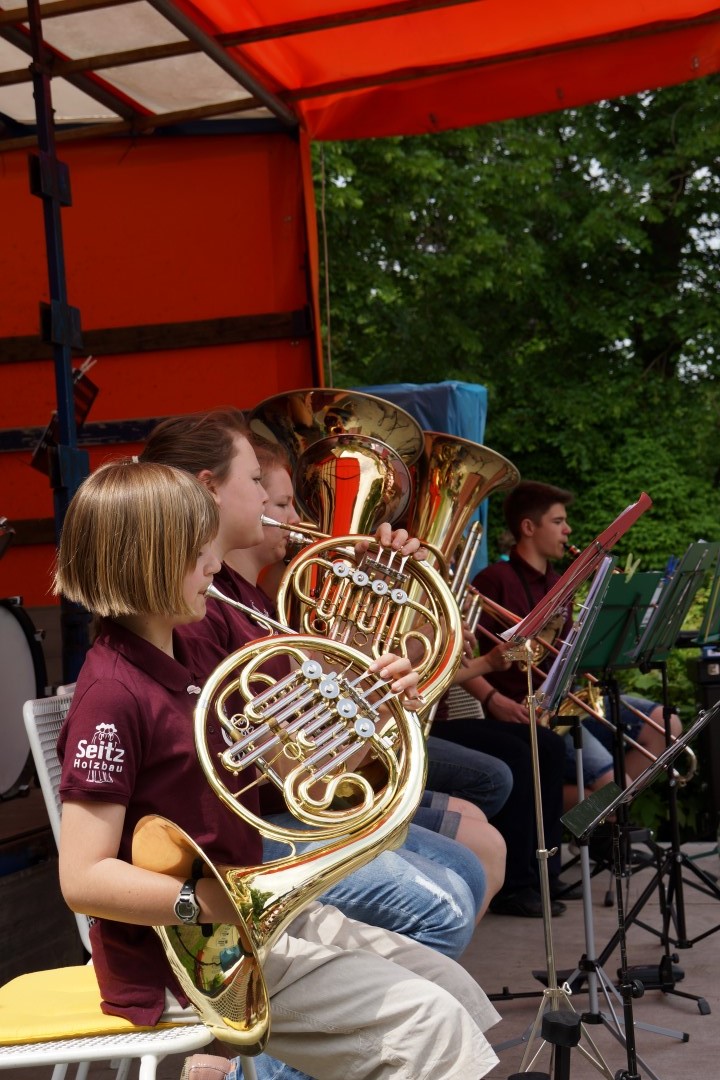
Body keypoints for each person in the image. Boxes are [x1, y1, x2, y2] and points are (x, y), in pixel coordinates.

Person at [55, 459, 501, 1080]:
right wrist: (207, 901)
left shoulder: (191, 645)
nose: (214, 566)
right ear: (149, 561)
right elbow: (82, 877)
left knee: (451, 988)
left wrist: (377, 703)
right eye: (198, 552)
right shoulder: (111, 693)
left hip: (245, 918)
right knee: (430, 1024)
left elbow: (294, 762)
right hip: (190, 951)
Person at [141, 407, 500, 951]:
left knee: (466, 871)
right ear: (209, 488)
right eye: (257, 483)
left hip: (276, 809)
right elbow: (289, 767)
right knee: (445, 902)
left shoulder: (240, 597)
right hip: (253, 827)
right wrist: (367, 691)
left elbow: (309, 723)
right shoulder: (202, 609)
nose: (271, 503)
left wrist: (373, 653)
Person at [228, 433, 509, 920]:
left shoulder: (259, 604)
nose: (297, 520)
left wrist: (406, 626)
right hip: (290, 807)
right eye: (280, 501)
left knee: (481, 836)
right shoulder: (238, 609)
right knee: (466, 863)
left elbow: (331, 703)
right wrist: (378, 684)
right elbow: (319, 765)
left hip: (316, 790)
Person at [442, 480, 681, 916]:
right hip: (521, 707)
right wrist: (493, 699)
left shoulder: (559, 583)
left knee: (666, 725)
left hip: (561, 700)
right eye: (559, 521)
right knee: (604, 782)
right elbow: (468, 658)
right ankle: (587, 826)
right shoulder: (494, 579)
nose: (568, 530)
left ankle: (583, 824)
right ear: (528, 527)